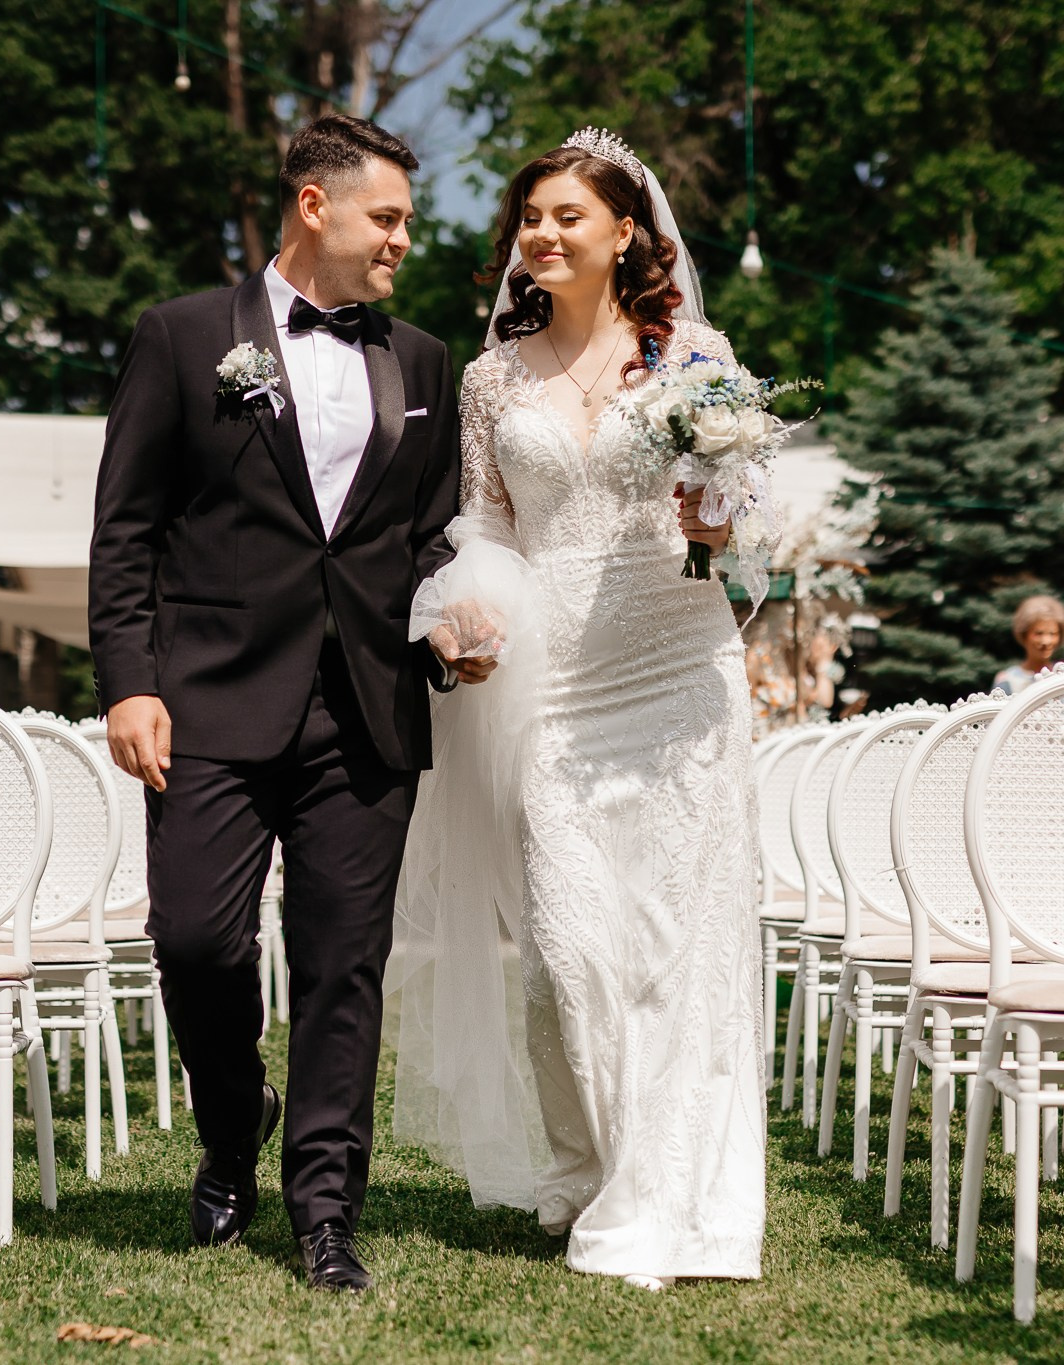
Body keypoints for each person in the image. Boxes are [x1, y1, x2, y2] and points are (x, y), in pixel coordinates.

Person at [87, 113, 488, 1294]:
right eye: (389, 216)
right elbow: (124, 532)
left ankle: (325, 1213)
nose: (404, 240)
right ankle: (230, 1124)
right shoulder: (179, 338)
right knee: (197, 943)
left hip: (366, 710)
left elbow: (426, 539)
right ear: (314, 204)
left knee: (340, 968)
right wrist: (130, 682)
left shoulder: (422, 365)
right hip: (206, 701)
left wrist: (451, 620)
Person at [389, 129, 764, 1292]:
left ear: (625, 236)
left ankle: (671, 1197)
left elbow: (741, 498)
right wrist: (466, 611)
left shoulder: (693, 355)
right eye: (530, 219)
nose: (540, 237)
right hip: (555, 683)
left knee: (677, 945)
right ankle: (597, 1160)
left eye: (566, 217)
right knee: (564, 950)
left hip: (678, 669)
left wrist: (722, 517)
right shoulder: (490, 379)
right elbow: (485, 524)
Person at [993, 593, 1064, 695]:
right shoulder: (1007, 680)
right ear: (1024, 635)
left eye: (1053, 634)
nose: (1046, 641)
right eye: (1039, 633)